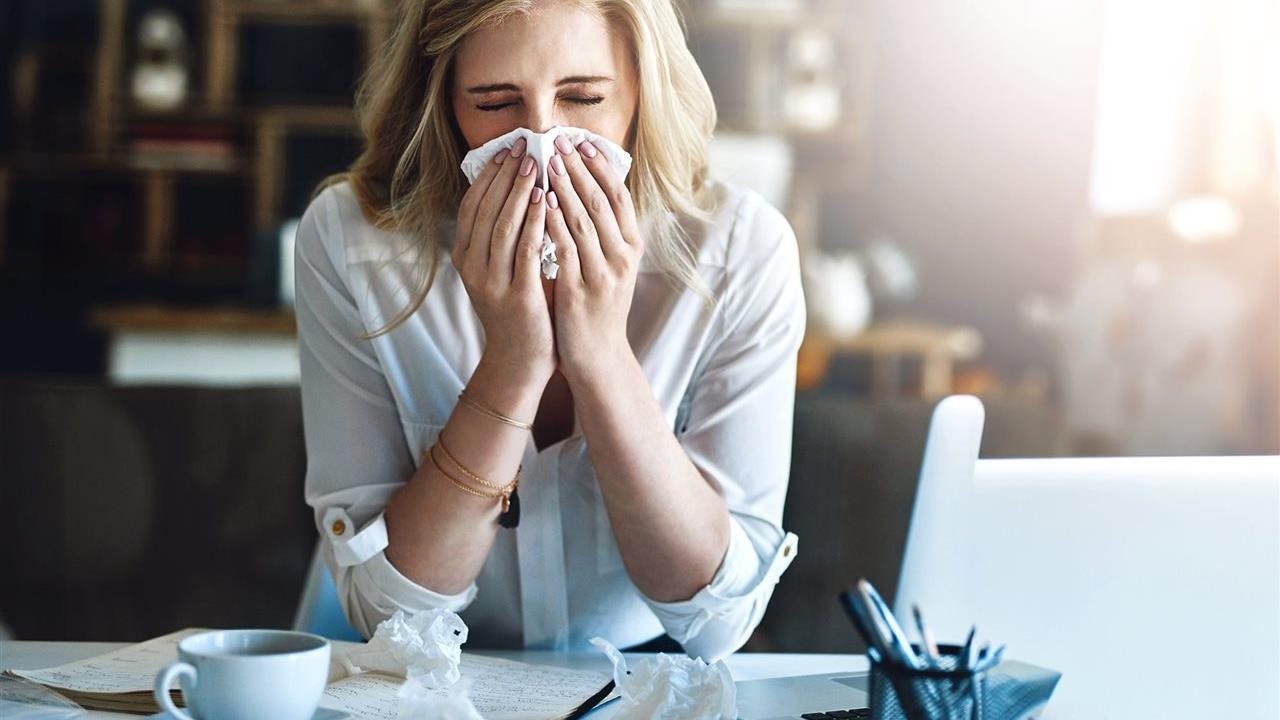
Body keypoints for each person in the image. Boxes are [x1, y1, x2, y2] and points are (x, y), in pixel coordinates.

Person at [298, 0, 804, 662]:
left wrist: (600, 357)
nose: (541, 140)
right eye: (495, 103)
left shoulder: (738, 252)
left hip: (646, 676)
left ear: (641, 96)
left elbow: (717, 621)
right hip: (420, 677)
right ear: (445, 107)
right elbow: (388, 614)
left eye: (584, 97)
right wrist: (512, 364)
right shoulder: (352, 243)